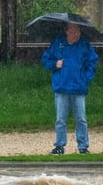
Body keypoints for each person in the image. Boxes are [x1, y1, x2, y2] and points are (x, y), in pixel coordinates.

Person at [41, 22, 99, 154]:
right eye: (73, 30)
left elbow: (92, 62)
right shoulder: (58, 43)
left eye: (78, 30)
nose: (76, 33)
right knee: (60, 119)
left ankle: (83, 146)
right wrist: (55, 64)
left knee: (81, 119)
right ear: (67, 31)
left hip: (78, 88)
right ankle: (60, 146)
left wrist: (85, 78)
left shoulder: (84, 45)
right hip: (61, 87)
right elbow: (45, 59)